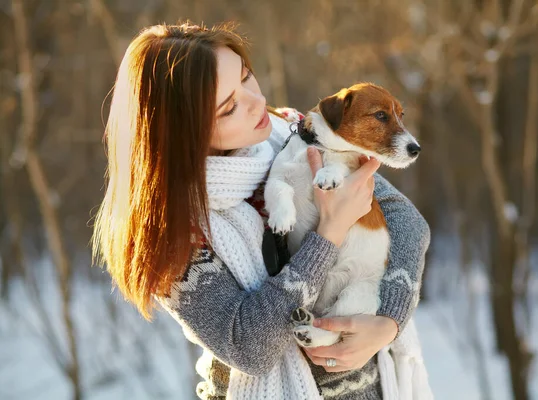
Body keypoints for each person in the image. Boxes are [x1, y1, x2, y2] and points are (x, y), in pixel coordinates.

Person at [92, 22, 431, 400]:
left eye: (246, 77)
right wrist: (329, 233)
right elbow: (250, 347)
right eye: (229, 107)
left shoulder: (291, 129)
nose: (256, 102)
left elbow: (406, 222)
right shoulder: (168, 231)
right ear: (181, 131)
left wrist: (389, 321)